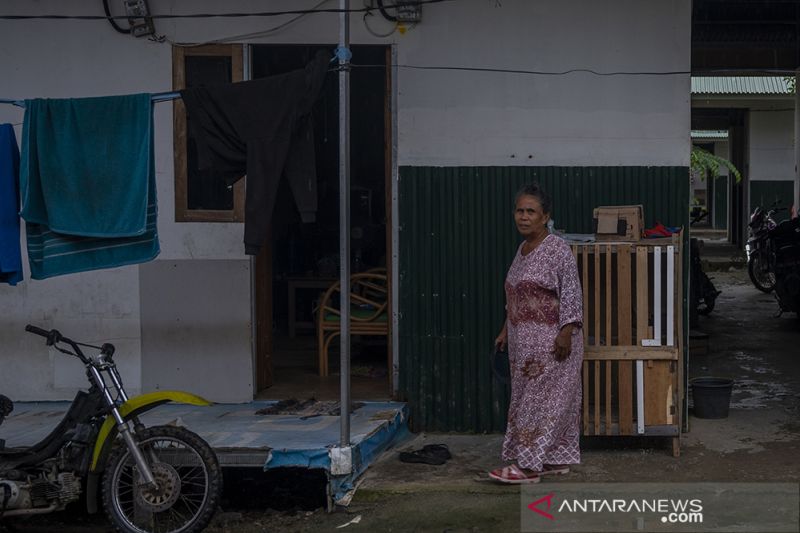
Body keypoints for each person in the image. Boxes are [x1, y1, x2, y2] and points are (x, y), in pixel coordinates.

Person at [489, 183, 584, 484]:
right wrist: (506, 329)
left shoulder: (556, 248)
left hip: (553, 346)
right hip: (522, 344)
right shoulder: (522, 250)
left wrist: (567, 332)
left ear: (545, 217)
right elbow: (517, 295)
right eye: (520, 210)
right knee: (533, 400)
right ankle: (554, 460)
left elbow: (571, 292)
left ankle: (529, 468)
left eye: (531, 211)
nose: (524, 217)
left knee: (538, 403)